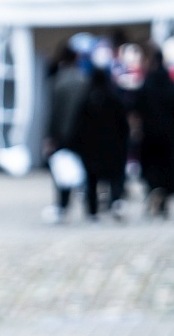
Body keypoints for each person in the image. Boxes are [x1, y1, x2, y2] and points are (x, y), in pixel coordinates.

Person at [76, 52, 130, 220]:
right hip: (112, 146)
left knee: (92, 179)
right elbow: (123, 124)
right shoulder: (114, 98)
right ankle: (116, 203)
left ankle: (92, 210)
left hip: (91, 148)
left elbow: (80, 125)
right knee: (115, 176)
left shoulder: (86, 99)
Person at [135, 44, 174, 218]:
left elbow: (138, 107)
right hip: (169, 133)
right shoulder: (172, 85)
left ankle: (155, 192)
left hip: (149, 134)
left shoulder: (146, 84)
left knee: (152, 167)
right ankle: (164, 198)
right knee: (166, 167)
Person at [44, 45, 90, 222]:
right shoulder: (84, 80)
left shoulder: (58, 81)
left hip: (62, 132)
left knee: (61, 169)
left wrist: (50, 135)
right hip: (82, 131)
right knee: (83, 166)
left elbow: (53, 111)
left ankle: (63, 204)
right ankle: (87, 201)